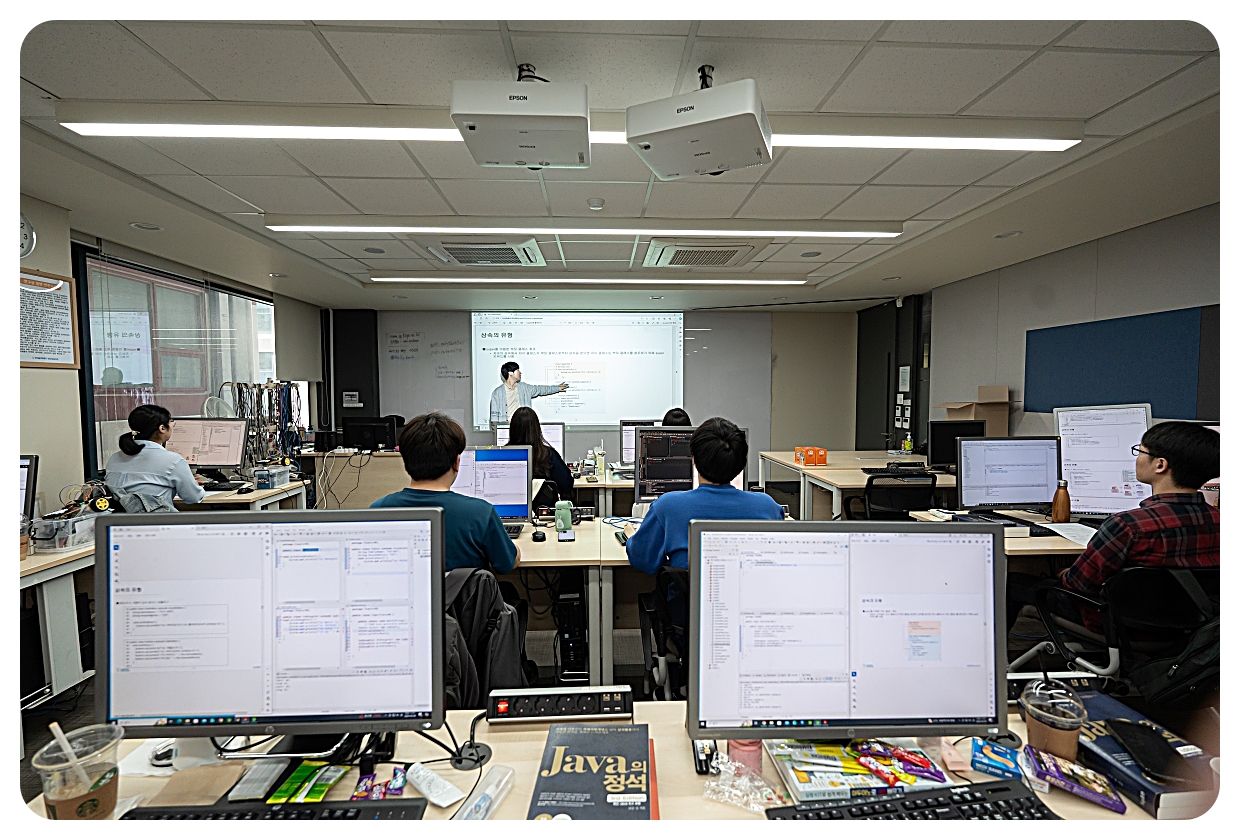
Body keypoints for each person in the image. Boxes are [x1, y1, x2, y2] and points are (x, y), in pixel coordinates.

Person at [1007, 421, 1220, 631]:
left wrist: (1064, 573)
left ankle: (997, 653)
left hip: (1115, 625)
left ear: (1160, 465)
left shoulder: (1128, 526)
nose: (1137, 458)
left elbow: (1077, 584)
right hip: (1193, 631)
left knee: (1011, 582)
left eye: (1140, 451)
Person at [626, 417, 782, 576]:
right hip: (751, 592)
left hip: (688, 593)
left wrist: (631, 536)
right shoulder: (768, 507)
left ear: (694, 460)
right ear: (742, 463)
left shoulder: (667, 506)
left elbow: (643, 560)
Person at [371, 412, 519, 574]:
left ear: (405, 460)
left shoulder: (378, 511)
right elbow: (506, 564)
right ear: (457, 462)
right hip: (464, 592)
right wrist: (515, 549)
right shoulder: (480, 512)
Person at [104, 404, 206, 510]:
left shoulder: (114, 459)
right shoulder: (173, 461)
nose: (172, 426)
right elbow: (193, 497)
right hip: (155, 519)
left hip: (118, 519)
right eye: (171, 422)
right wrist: (193, 485)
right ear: (162, 428)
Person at [506, 407, 574, 504]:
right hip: (543, 511)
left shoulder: (502, 455)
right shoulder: (549, 455)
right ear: (537, 429)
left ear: (512, 429)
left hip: (510, 511)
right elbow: (567, 485)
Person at [489, 361, 569, 425]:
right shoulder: (497, 393)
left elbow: (539, 389)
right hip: (506, 428)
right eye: (518, 370)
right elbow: (494, 418)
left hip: (524, 427)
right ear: (510, 373)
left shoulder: (524, 388)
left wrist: (557, 388)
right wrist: (496, 433)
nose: (520, 372)